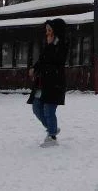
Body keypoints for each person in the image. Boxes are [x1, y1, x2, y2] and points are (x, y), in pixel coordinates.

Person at [28, 19, 69, 148]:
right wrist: (34, 68)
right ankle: (52, 128)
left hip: (54, 84)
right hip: (43, 83)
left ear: (56, 31)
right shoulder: (48, 45)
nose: (47, 33)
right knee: (36, 107)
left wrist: (51, 46)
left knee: (48, 109)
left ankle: (52, 136)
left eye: (49, 30)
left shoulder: (61, 45)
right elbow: (42, 60)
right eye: (46, 31)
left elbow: (56, 62)